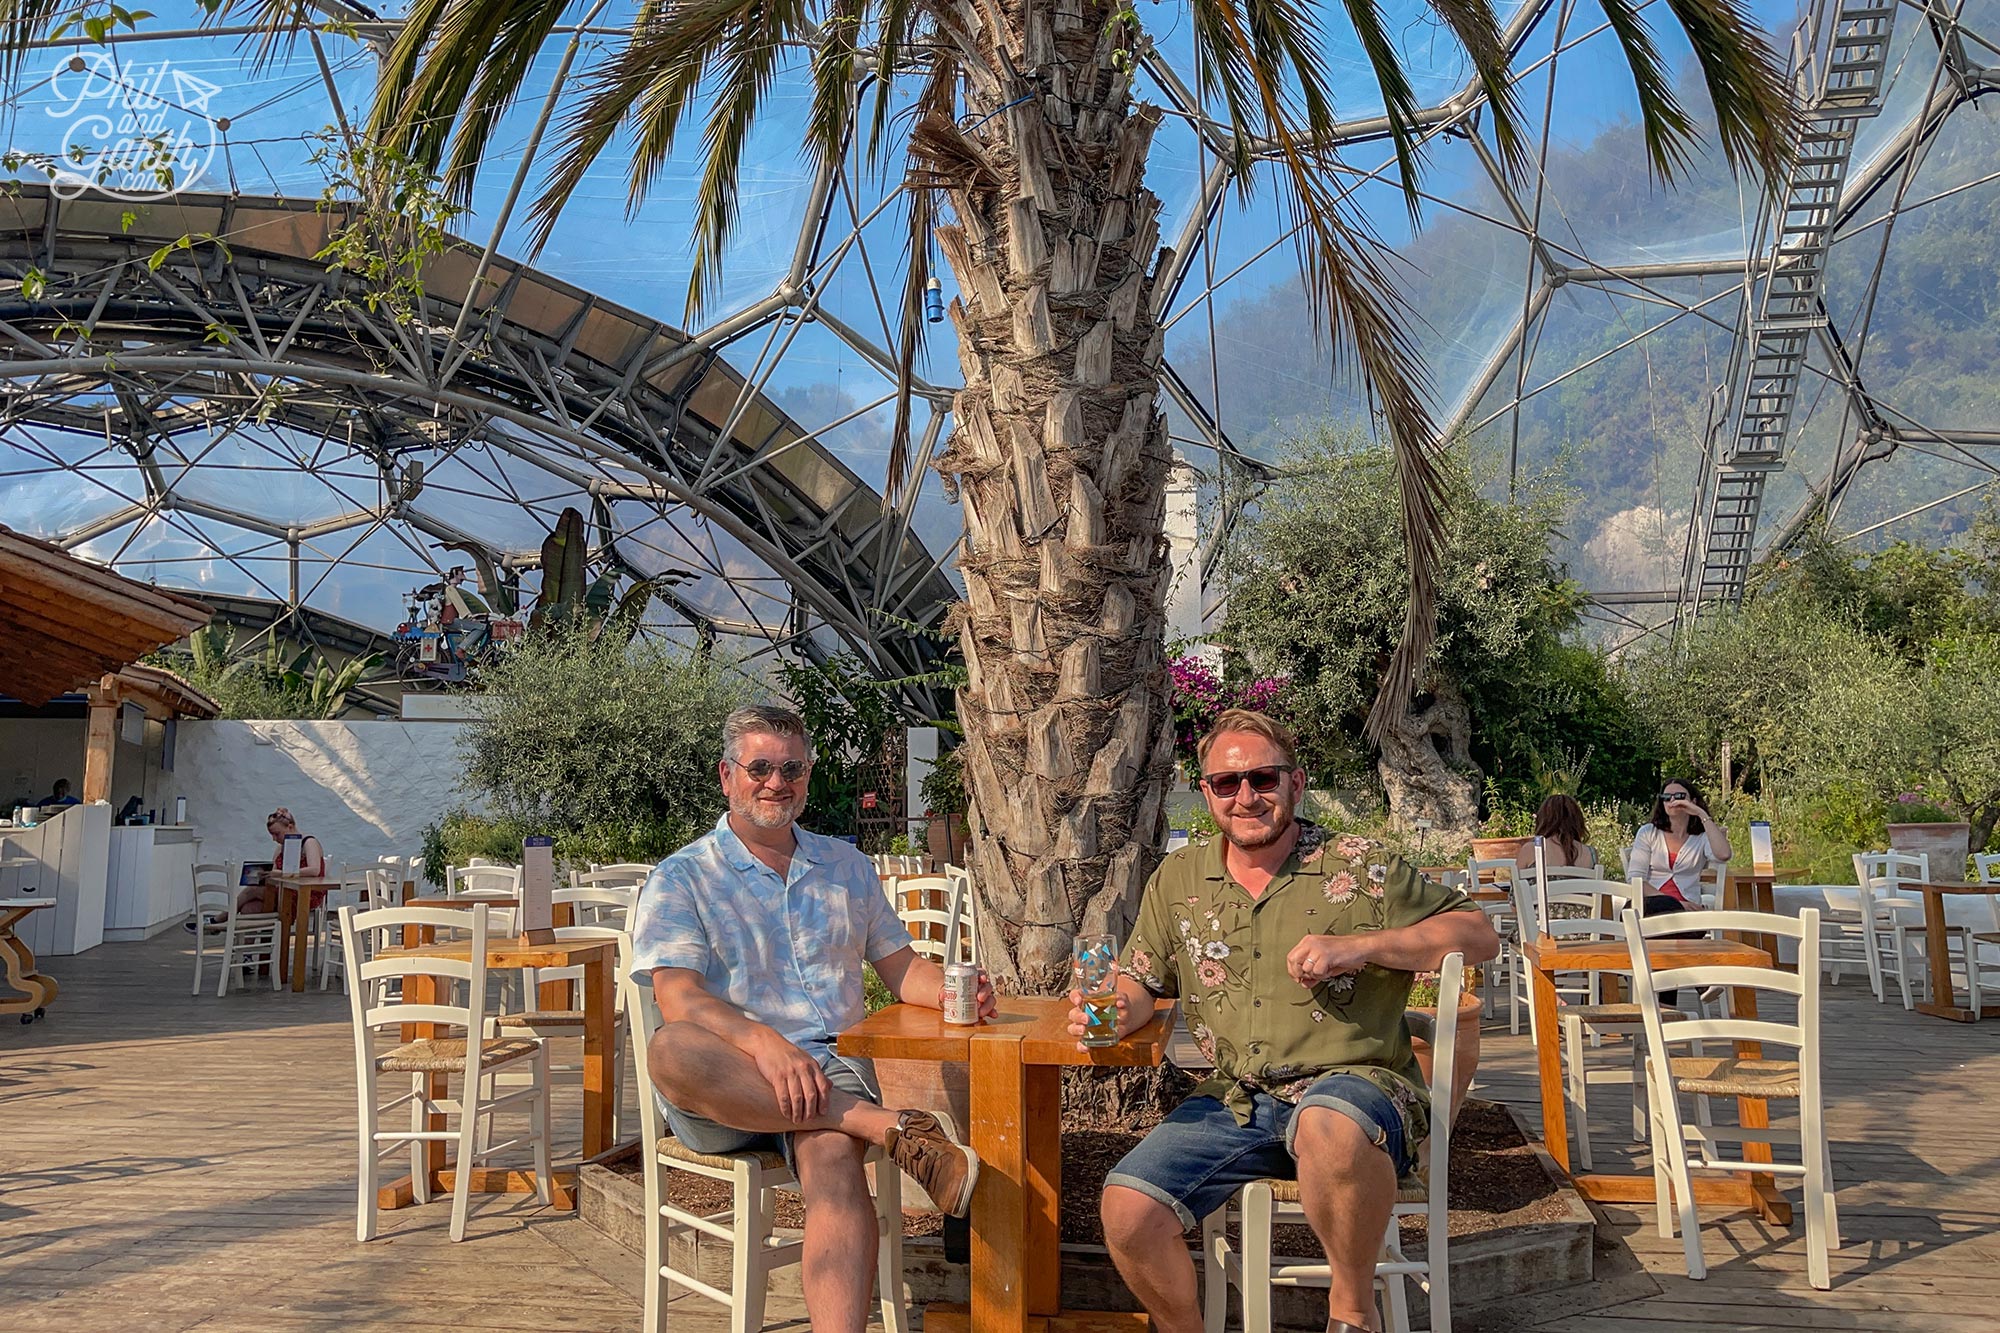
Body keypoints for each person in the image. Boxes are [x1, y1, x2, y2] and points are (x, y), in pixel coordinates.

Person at [1080, 708, 1500, 1333]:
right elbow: (1142, 978)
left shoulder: (1358, 863)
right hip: (1238, 1097)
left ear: (1295, 784)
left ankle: (1352, 1315)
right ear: (1207, 793)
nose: (1246, 796)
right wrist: (1110, 1009)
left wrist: (1363, 946)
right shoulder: (1179, 877)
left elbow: (1478, 932)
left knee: (1328, 1125)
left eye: (1263, 779)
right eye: (1228, 783)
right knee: (1127, 1207)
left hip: (1356, 1085)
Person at [631, 704, 994, 1333]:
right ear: (727, 776)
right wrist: (763, 1042)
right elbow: (678, 998)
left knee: (831, 1155)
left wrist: (954, 993)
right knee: (671, 1050)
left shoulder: (845, 867)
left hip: (829, 1072)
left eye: (791, 768)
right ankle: (891, 1128)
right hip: (730, 1081)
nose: (777, 781)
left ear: (807, 776)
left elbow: (902, 968)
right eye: (761, 767)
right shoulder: (684, 876)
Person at [1624, 777, 1731, 916]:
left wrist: (1701, 813)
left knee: (1688, 922)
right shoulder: (1648, 832)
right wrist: (1672, 903)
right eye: (1667, 797)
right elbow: (1635, 879)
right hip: (1652, 905)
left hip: (1688, 910)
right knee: (1636, 913)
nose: (1673, 801)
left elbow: (1724, 855)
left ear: (1693, 801)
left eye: (1680, 796)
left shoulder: (1701, 837)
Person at [1514, 793, 1598, 874]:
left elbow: (1515, 887)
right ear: (1577, 821)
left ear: (1543, 820)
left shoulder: (1531, 850)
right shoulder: (1590, 854)